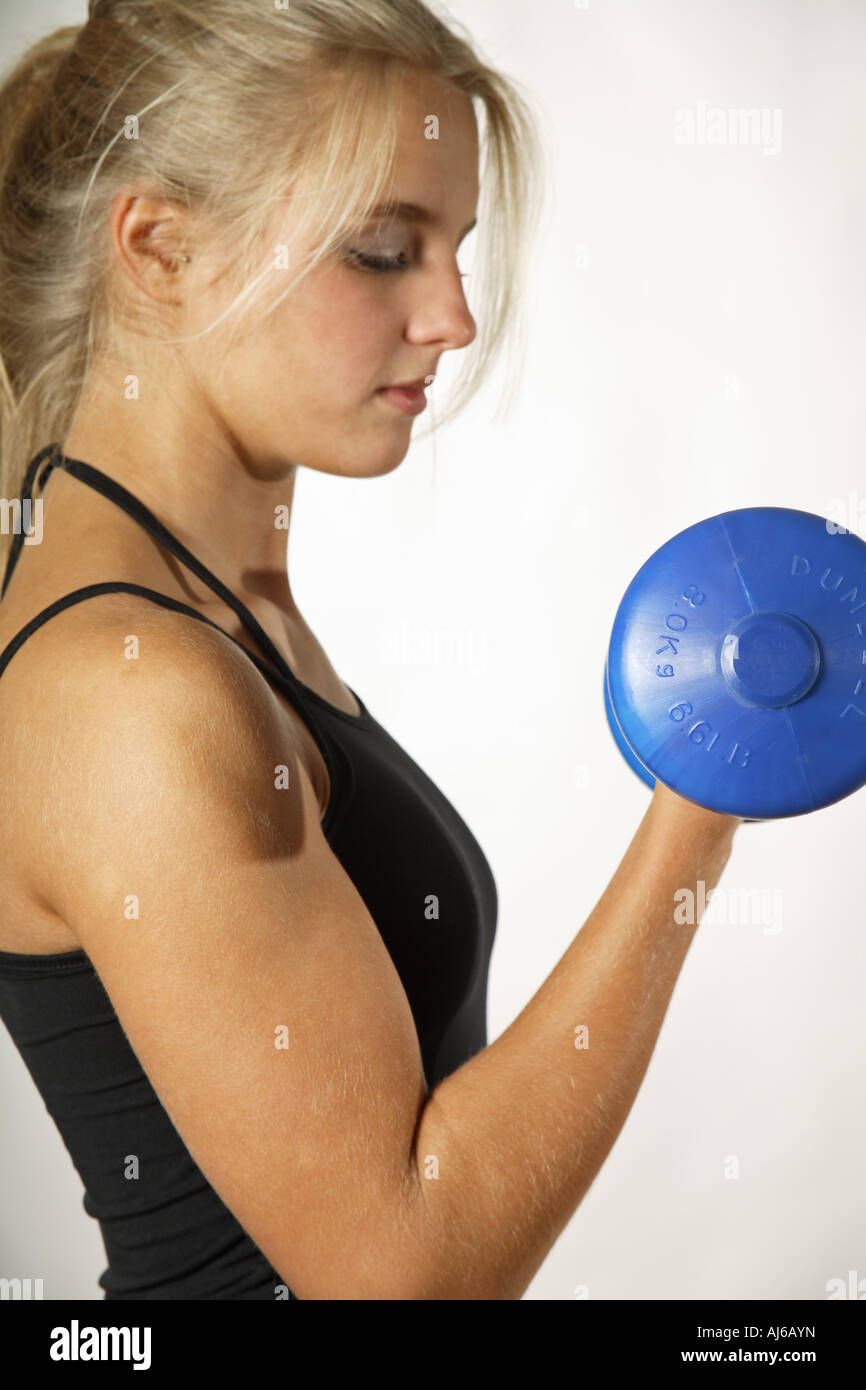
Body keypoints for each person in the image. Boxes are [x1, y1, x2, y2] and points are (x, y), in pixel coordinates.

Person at [0, 0, 741, 1301]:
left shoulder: (221, 603)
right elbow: (404, 1271)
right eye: (384, 250)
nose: (452, 315)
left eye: (454, 247)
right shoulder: (127, 687)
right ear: (161, 249)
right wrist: (706, 792)